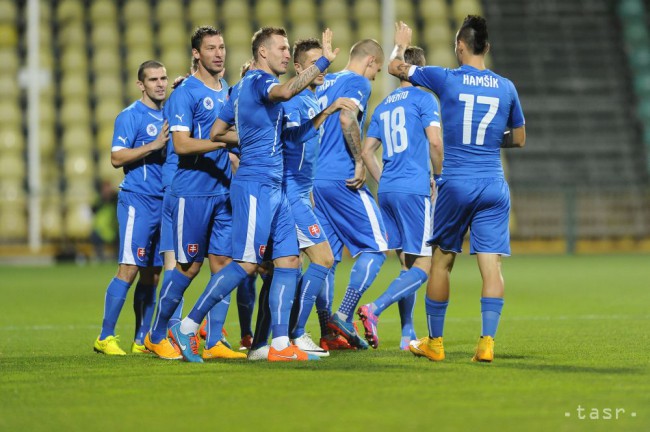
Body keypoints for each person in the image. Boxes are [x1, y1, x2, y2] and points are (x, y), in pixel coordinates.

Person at [167, 26, 347, 363]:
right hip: (254, 185)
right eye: (280, 48)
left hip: (276, 186)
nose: (284, 54)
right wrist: (322, 62)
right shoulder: (259, 83)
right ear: (262, 53)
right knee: (247, 265)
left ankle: (279, 345)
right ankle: (188, 326)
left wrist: (247, 138)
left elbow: (218, 131)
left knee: (289, 261)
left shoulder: (239, 90)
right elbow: (283, 93)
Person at [388, 17, 526, 362]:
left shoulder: (444, 77)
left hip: (456, 183)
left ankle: (435, 343)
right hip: (493, 183)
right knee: (492, 267)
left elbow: (394, 67)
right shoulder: (506, 87)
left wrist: (401, 44)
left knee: (440, 263)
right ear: (487, 48)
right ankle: (487, 344)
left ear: (459, 46)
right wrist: (490, 141)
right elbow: (520, 138)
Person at [145, 26, 244, 361]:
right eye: (211, 48)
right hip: (192, 193)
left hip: (223, 191)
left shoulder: (227, 90)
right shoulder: (185, 92)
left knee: (224, 264)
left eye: (222, 46)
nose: (219, 53)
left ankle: (215, 341)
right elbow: (181, 144)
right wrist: (225, 141)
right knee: (188, 268)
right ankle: (157, 335)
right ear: (196, 55)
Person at [357, 46, 443, 350]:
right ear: (420, 70)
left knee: (407, 265)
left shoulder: (383, 105)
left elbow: (367, 152)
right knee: (425, 264)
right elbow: (435, 141)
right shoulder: (425, 98)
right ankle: (374, 309)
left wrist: (385, 180)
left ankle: (407, 334)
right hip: (413, 189)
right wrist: (440, 177)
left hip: (389, 191)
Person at [312, 39, 387, 350]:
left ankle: (327, 333)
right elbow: (347, 119)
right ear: (369, 61)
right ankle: (343, 314)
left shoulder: (325, 80)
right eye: (376, 71)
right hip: (341, 178)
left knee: (324, 260)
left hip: (315, 179)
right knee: (377, 245)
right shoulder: (357, 82)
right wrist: (359, 161)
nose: (373, 77)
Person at [93, 60, 169, 356]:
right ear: (141, 84)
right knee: (129, 268)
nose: (160, 84)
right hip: (138, 200)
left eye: (163, 78)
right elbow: (116, 157)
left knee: (153, 273)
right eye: (153, 79)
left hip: (164, 202)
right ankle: (105, 336)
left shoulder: (170, 116)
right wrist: (153, 145)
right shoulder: (130, 116)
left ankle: (141, 340)